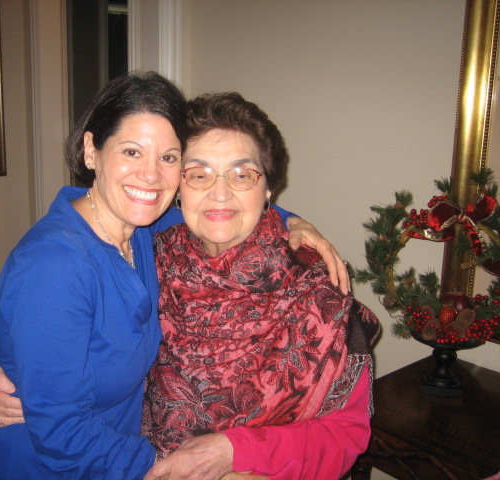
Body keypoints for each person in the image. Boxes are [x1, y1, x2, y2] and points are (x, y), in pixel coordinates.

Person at [0, 72, 351, 480]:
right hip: (54, 467)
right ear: (90, 150)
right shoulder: (62, 264)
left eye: (168, 158)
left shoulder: (146, 233)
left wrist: (293, 220)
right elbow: (62, 428)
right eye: (132, 152)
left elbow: (221, 208)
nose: (151, 175)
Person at [140, 92, 380, 480]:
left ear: (268, 189)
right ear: (177, 187)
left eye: (242, 174)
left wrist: (233, 452)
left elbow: (344, 435)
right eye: (198, 174)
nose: (220, 193)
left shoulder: (318, 290)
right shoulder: (149, 261)